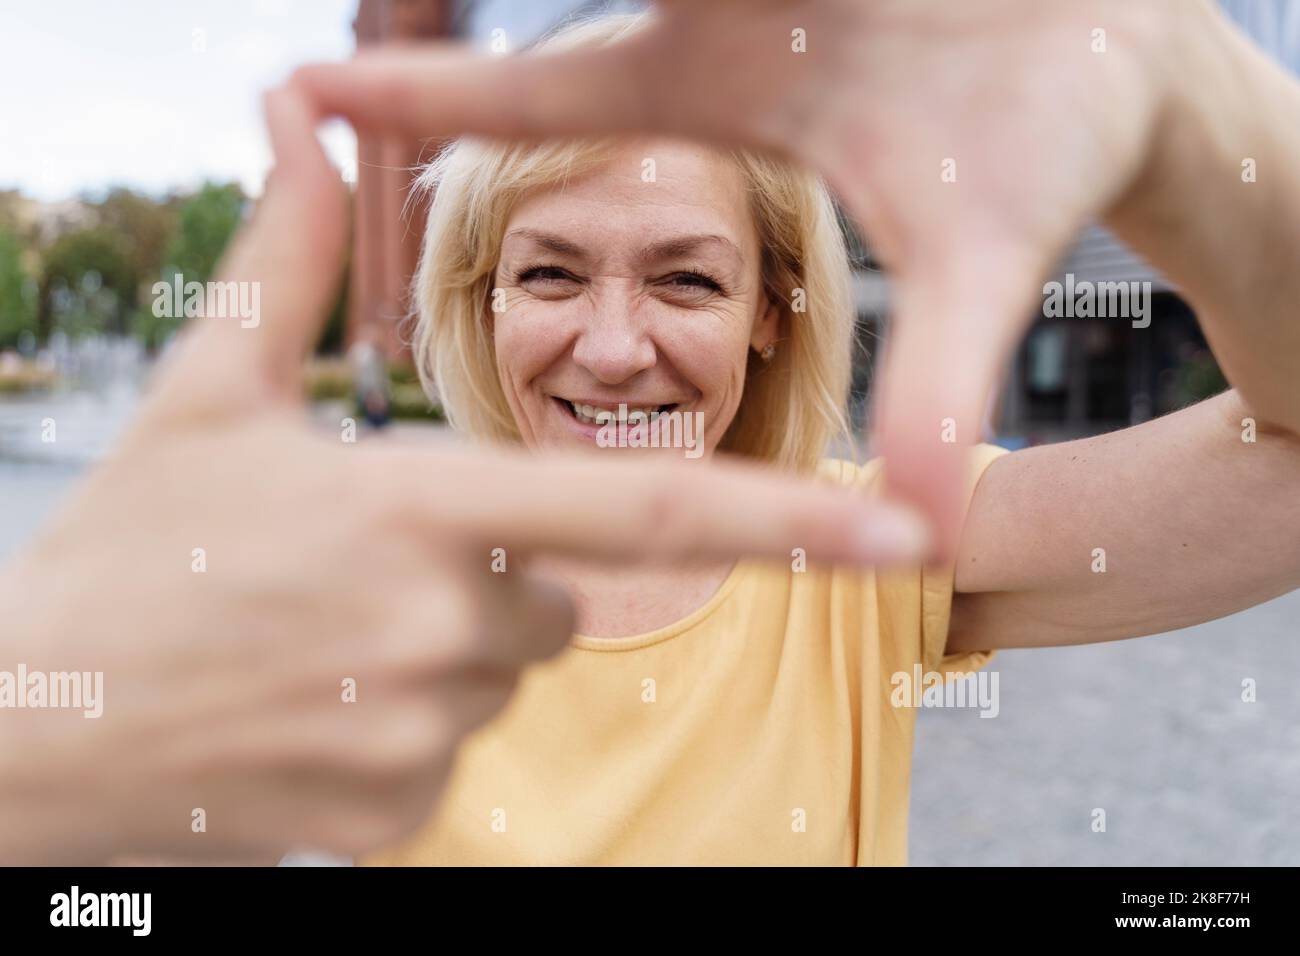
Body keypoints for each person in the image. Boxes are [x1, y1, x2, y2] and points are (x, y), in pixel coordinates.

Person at [2, 0, 1298, 864]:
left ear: (772, 317)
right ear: (481, 302)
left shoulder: (869, 553)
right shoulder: (359, 577)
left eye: (685, 280)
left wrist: (1187, 101)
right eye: (554, 275)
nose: (614, 348)